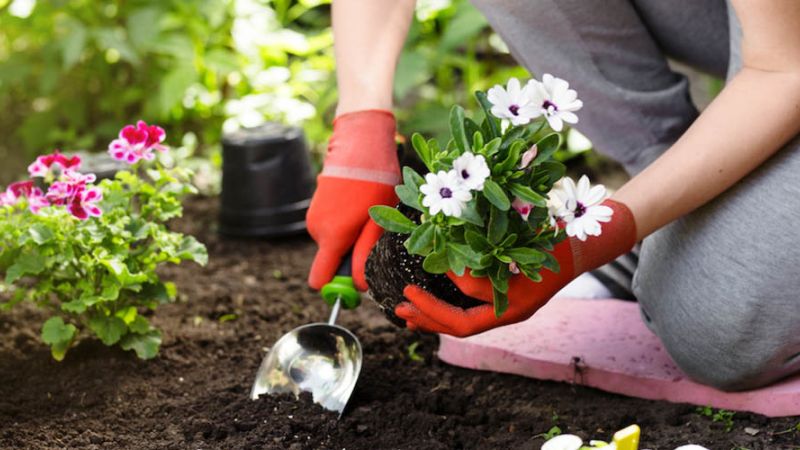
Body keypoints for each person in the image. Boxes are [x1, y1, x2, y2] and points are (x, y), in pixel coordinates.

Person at [305, 0, 800, 392]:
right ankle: (677, 211)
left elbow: (784, 68)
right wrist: (360, 123)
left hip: (784, 59)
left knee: (719, 333)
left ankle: (675, 237)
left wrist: (602, 236)